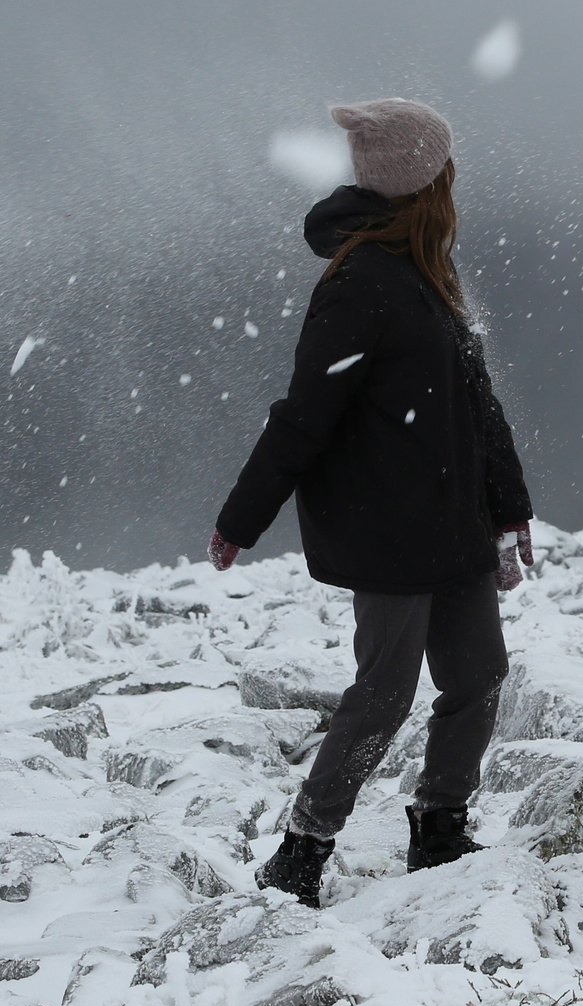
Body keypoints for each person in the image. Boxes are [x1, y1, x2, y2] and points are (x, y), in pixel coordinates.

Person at [207, 97, 535, 908]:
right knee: (384, 694)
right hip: (390, 532)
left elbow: (477, 404)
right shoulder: (360, 283)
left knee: (478, 675)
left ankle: (440, 824)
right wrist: (241, 517)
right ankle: (304, 847)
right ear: (422, 184)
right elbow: (304, 414)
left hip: (455, 525)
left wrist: (508, 508)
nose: (454, 183)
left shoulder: (430, 273)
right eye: (445, 171)